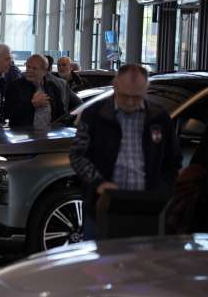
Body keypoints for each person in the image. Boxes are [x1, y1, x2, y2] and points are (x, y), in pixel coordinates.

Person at [70, 64, 182, 239]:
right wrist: (98, 183)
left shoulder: (158, 117)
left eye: (136, 97)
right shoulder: (95, 114)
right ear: (114, 86)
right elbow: (78, 155)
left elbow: (173, 161)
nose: (130, 102)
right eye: (124, 96)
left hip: (148, 208)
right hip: (103, 205)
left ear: (146, 90)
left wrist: (162, 191)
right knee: (101, 254)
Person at [5, 54, 81, 129]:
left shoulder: (52, 87)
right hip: (23, 134)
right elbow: (7, 113)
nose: (29, 71)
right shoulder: (16, 86)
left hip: (49, 133)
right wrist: (31, 105)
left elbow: (61, 114)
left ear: (44, 71)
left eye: (34, 68)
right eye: (28, 67)